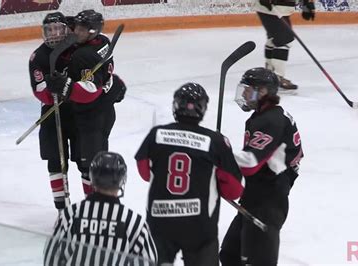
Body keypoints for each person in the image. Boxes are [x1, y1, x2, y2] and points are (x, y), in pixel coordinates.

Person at [135, 83, 244, 266]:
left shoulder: (157, 134)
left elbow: (144, 172)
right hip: (199, 226)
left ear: (176, 105)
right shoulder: (216, 141)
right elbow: (234, 190)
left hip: (160, 223)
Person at [219, 67, 304, 266]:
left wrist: (219, 155)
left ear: (264, 92)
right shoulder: (267, 116)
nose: (245, 94)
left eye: (250, 90)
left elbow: (250, 163)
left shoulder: (271, 120)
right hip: (257, 198)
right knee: (230, 255)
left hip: (268, 204)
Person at [46, 9, 127, 197]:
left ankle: (94, 206)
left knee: (90, 165)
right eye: (77, 28)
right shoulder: (104, 41)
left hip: (94, 115)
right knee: (90, 161)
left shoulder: (83, 56)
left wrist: (66, 87)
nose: (77, 33)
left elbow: (91, 90)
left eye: (82, 30)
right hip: (103, 110)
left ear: (93, 32)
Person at [44, 151, 158, 265]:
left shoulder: (70, 214)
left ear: (92, 179)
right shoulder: (134, 222)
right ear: (121, 181)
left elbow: (51, 258)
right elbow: (148, 262)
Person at [29, 11, 81, 210]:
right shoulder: (38, 56)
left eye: (58, 29)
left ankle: (91, 207)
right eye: (49, 30)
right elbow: (39, 89)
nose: (54, 34)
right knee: (55, 160)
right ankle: (62, 209)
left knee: (85, 160)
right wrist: (54, 95)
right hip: (52, 112)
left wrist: (68, 90)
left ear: (66, 29)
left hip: (77, 112)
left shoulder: (75, 50)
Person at [255, 0, 316, 90]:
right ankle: (277, 78)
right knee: (284, 41)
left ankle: (270, 74)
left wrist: (306, 3)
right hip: (271, 9)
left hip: (280, 9)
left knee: (274, 40)